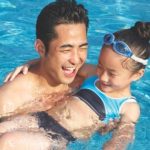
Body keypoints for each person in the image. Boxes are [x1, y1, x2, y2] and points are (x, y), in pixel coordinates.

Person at [0, 22, 149, 150]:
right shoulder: (92, 74)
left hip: (58, 136)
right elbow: (60, 64)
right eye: (100, 66)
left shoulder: (128, 107)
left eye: (112, 73)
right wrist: (31, 63)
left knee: (8, 141)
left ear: (138, 75)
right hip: (40, 117)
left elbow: (122, 137)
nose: (103, 76)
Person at [0, 0, 89, 118]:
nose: (76, 60)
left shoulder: (84, 79)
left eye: (82, 48)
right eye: (66, 50)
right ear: (41, 48)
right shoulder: (11, 98)